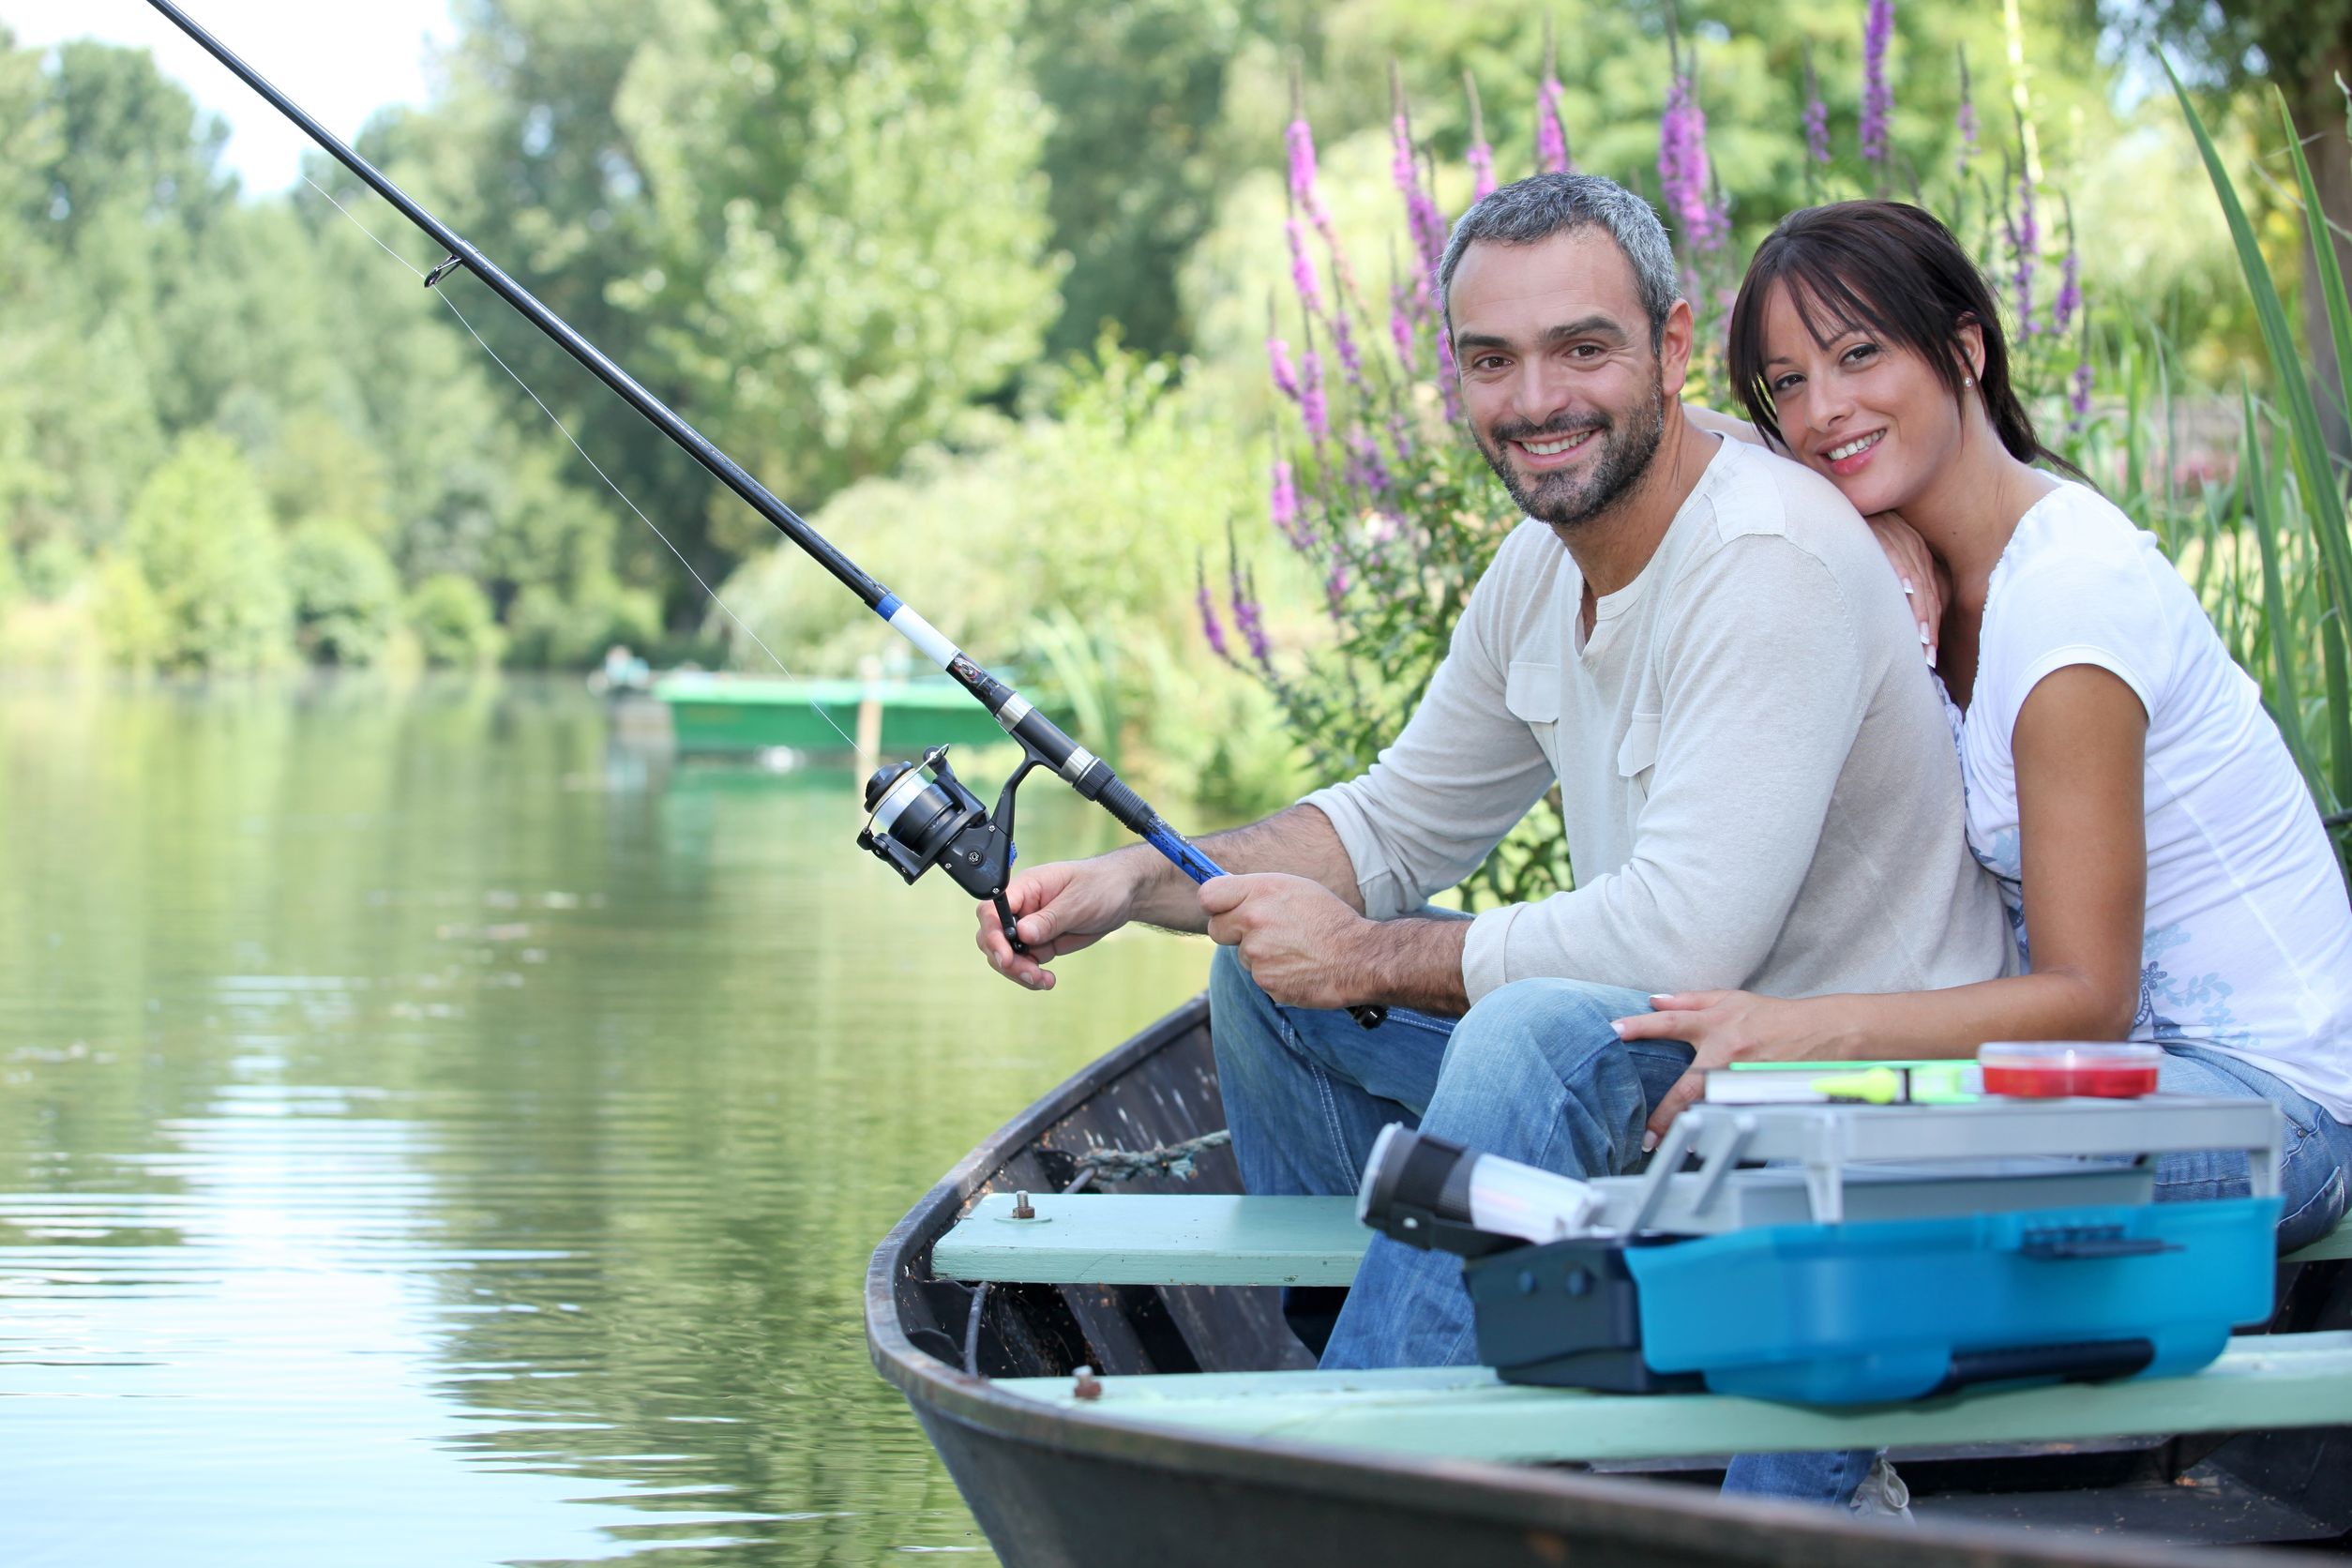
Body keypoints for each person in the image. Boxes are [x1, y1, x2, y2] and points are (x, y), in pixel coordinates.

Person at [973, 173, 2011, 1394]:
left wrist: (1367, 958)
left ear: (1674, 345)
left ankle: (1372, 1441)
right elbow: (1393, 823)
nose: (1537, 401)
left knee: (1535, 1030)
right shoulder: (1538, 569)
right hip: (1682, 1081)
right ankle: (1399, 1374)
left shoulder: (1763, 558)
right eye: (1492, 361)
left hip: (1857, 1105)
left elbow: (1686, 939)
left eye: (1583, 349)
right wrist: (1126, 881)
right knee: (1262, 986)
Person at [1609, 198, 2352, 1509]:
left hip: (2274, 1105)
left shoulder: (2067, 602)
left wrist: (1794, 1033)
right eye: (1786, 384)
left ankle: (1788, 1518)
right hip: (2129, 1086)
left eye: (1858, 358)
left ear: (1963, 348)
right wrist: (1884, 528)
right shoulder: (1948, 579)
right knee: (1791, 1151)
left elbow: (2085, 999)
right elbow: (1723, 449)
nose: (1822, 411)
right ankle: (1810, 1500)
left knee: (1859, 1183)